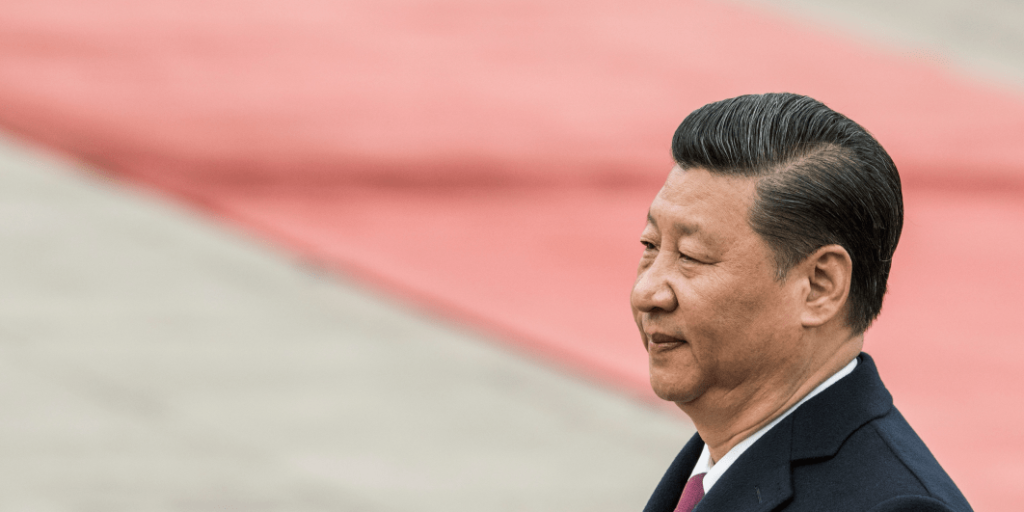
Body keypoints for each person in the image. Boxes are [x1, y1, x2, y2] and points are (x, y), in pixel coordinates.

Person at [632, 93, 972, 512]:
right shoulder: (713, 459)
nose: (647, 292)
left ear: (819, 286)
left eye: (691, 256)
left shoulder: (896, 505)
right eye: (650, 245)